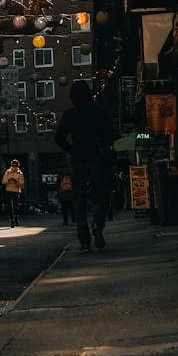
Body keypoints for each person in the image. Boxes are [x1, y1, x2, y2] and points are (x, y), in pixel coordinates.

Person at [55, 80, 114, 252]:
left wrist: (73, 150)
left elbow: (59, 139)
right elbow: (109, 138)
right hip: (96, 160)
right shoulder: (99, 113)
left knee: (79, 200)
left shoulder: (70, 114)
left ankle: (84, 240)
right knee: (98, 195)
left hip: (78, 161)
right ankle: (97, 223)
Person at [1, 159, 26, 225]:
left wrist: (16, 182)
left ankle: (16, 218)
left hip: (16, 190)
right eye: (13, 166)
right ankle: (11, 219)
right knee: (9, 205)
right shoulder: (8, 172)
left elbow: (21, 183)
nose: (14, 167)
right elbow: (3, 181)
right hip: (8, 190)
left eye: (15, 166)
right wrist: (9, 180)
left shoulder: (20, 173)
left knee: (15, 206)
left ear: (18, 166)